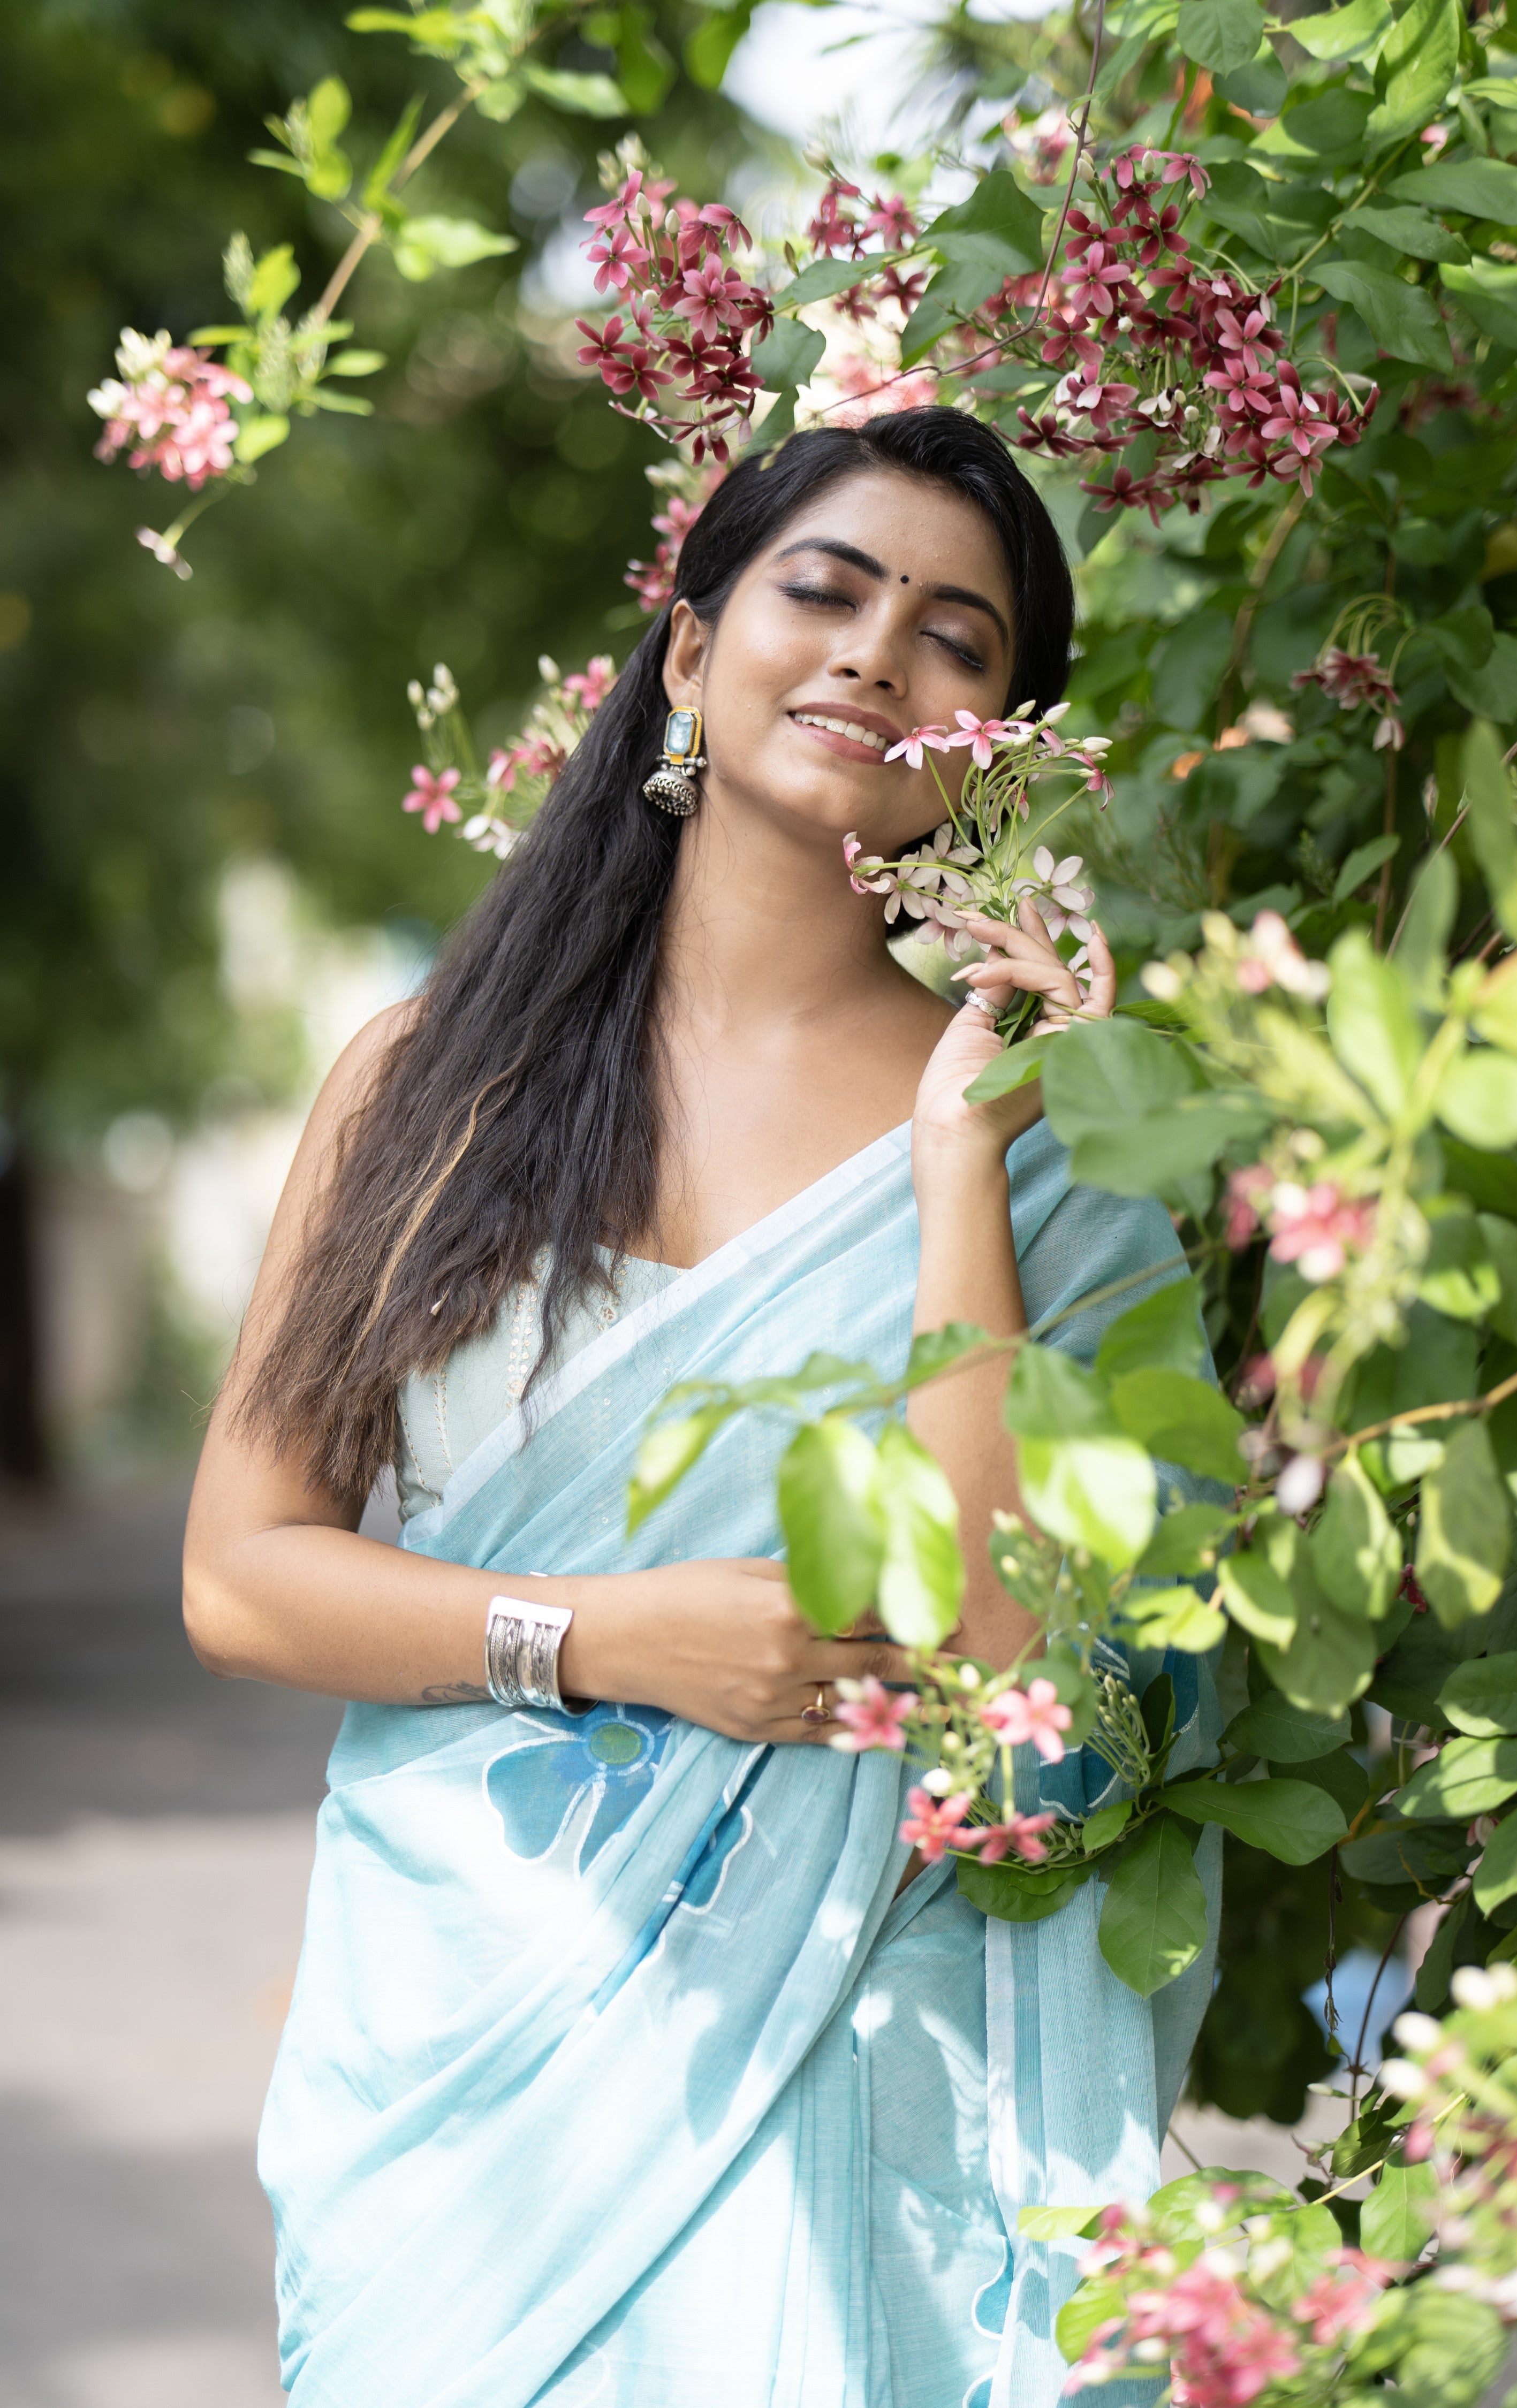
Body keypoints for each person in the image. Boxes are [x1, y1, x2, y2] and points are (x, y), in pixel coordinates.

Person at [183, 407, 1217, 2408]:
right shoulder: (429, 1085)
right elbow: (244, 1577)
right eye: (823, 589)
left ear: (996, 743)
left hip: (859, 2064)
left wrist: (952, 1178)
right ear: (688, 649)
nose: (874, 652)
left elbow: (1034, 1702)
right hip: (472, 2070)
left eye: (955, 636)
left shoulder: (1056, 1151)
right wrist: (603, 1636)